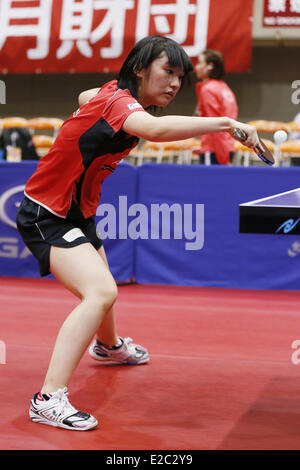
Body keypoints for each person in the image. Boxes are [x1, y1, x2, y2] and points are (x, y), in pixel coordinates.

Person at [16, 35, 261, 431]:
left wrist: (87, 110)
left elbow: (84, 94)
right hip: (47, 213)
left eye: (181, 76)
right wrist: (227, 123)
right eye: (168, 72)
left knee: (103, 282)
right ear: (139, 69)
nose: (176, 83)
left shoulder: (115, 97)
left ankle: (109, 347)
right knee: (100, 292)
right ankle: (47, 398)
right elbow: (156, 131)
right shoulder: (123, 105)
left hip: (77, 212)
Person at [194, 49, 239, 165]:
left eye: (200, 62)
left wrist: (221, 155)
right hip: (228, 147)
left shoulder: (208, 89)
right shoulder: (225, 88)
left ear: (210, 66)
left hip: (215, 150)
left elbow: (214, 124)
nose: (196, 67)